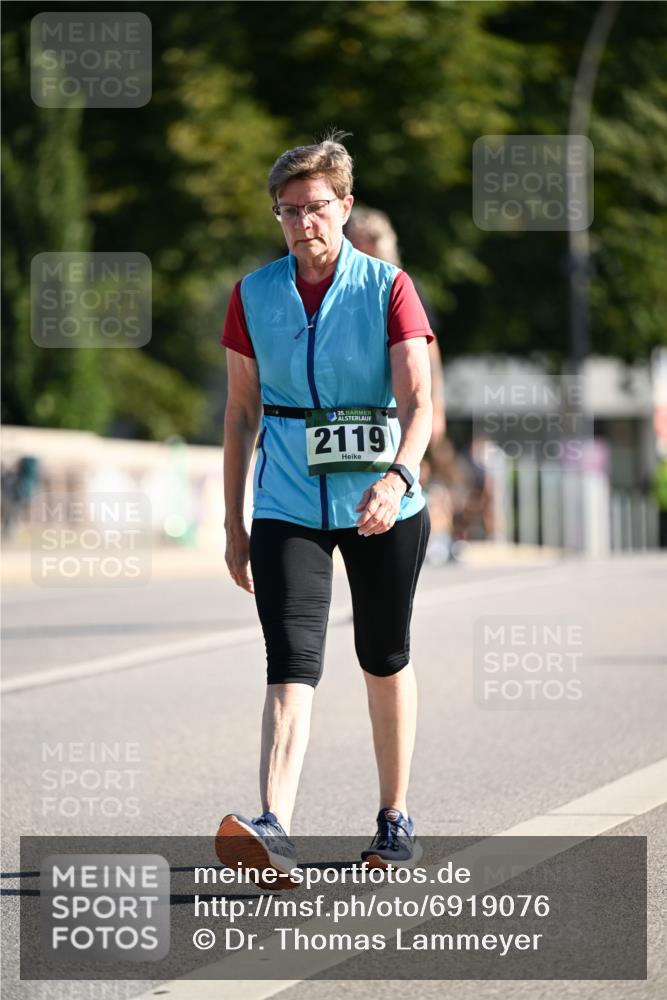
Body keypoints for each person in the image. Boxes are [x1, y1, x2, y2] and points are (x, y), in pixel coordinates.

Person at [216, 131, 433, 883]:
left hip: (382, 504)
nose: (302, 222)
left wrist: (398, 478)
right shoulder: (253, 294)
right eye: (287, 211)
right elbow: (240, 414)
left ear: (343, 206)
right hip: (285, 504)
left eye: (315, 207)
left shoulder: (388, 287)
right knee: (289, 664)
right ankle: (274, 825)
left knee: (382, 657)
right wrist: (232, 521)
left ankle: (393, 815)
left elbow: (420, 403)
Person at [345, 206, 446, 448]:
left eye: (365, 244)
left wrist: (437, 409)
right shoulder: (340, 291)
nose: (358, 253)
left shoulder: (402, 288)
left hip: (393, 405)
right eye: (354, 243)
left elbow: (429, 356)